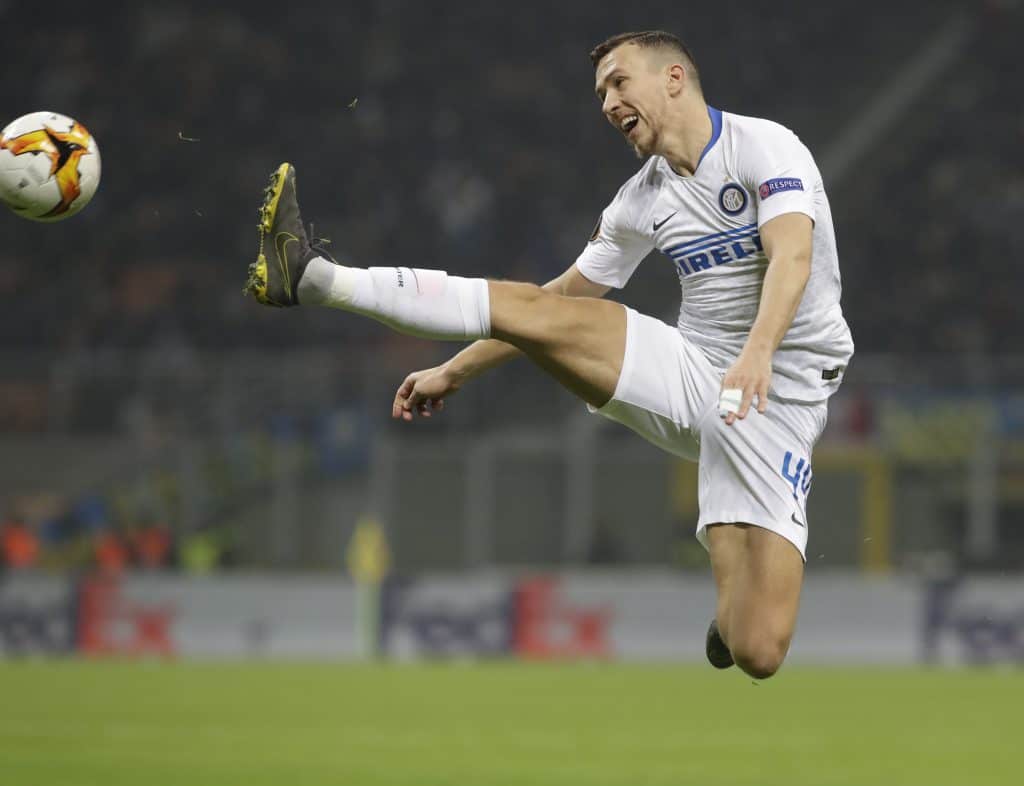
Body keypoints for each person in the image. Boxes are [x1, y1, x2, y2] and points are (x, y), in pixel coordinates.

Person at [244, 30, 853, 679]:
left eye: (619, 82)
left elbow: (792, 255)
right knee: (544, 312)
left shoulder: (765, 147)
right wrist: (454, 369)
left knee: (758, 650)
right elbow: (553, 300)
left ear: (674, 78)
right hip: (692, 368)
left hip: (780, 397)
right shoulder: (640, 200)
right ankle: (316, 278)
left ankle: (728, 625)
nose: (608, 103)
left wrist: (758, 352)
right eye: (600, 93)